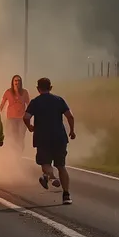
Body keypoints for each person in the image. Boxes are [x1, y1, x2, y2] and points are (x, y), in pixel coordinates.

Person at [24, 77, 76, 205]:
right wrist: (72, 131)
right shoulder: (58, 100)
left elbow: (26, 117)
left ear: (38, 89)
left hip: (42, 137)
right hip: (59, 137)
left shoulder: (35, 102)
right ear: (50, 87)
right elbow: (70, 116)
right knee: (61, 166)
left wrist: (30, 127)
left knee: (45, 163)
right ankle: (66, 195)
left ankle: (50, 177)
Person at [0, 75, 30, 153]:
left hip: (22, 118)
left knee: (21, 137)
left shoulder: (24, 92)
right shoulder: (8, 92)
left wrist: (30, 115)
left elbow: (29, 104)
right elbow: (2, 104)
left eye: (19, 80)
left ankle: (19, 152)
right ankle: (13, 153)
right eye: (15, 80)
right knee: (13, 136)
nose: (17, 82)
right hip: (11, 118)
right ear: (13, 82)